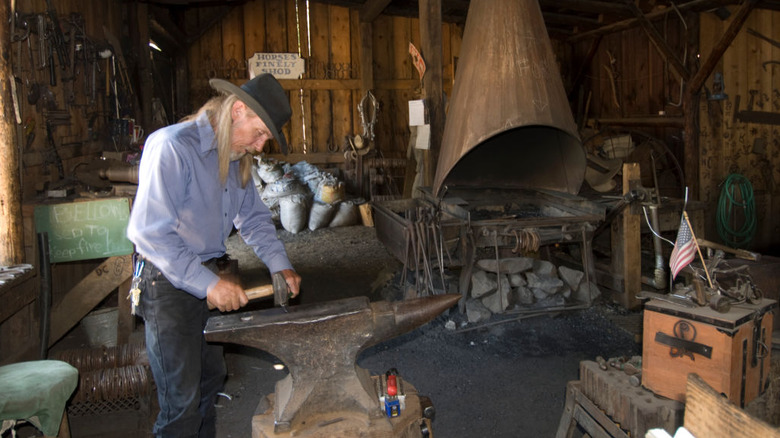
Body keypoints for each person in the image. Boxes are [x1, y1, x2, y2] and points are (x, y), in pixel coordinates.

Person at [127, 73, 302, 438]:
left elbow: (253, 217)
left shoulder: (237, 157)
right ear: (238, 110)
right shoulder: (173, 147)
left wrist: (280, 265)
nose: (259, 146)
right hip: (165, 280)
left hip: (205, 273)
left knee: (210, 379)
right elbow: (150, 233)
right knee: (181, 401)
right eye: (259, 134)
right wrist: (209, 284)